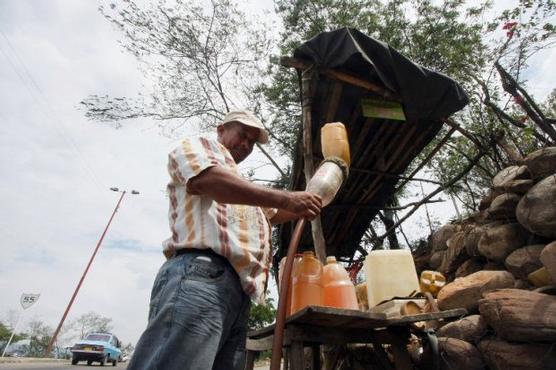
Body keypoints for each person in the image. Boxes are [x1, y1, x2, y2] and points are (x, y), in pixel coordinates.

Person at [128, 110, 322, 370]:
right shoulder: (197, 147)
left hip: (237, 292)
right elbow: (207, 181)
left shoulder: (246, 191)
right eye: (243, 135)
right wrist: (288, 198)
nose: (246, 145)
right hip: (201, 275)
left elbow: (278, 213)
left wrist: (318, 194)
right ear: (221, 129)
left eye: (252, 142)